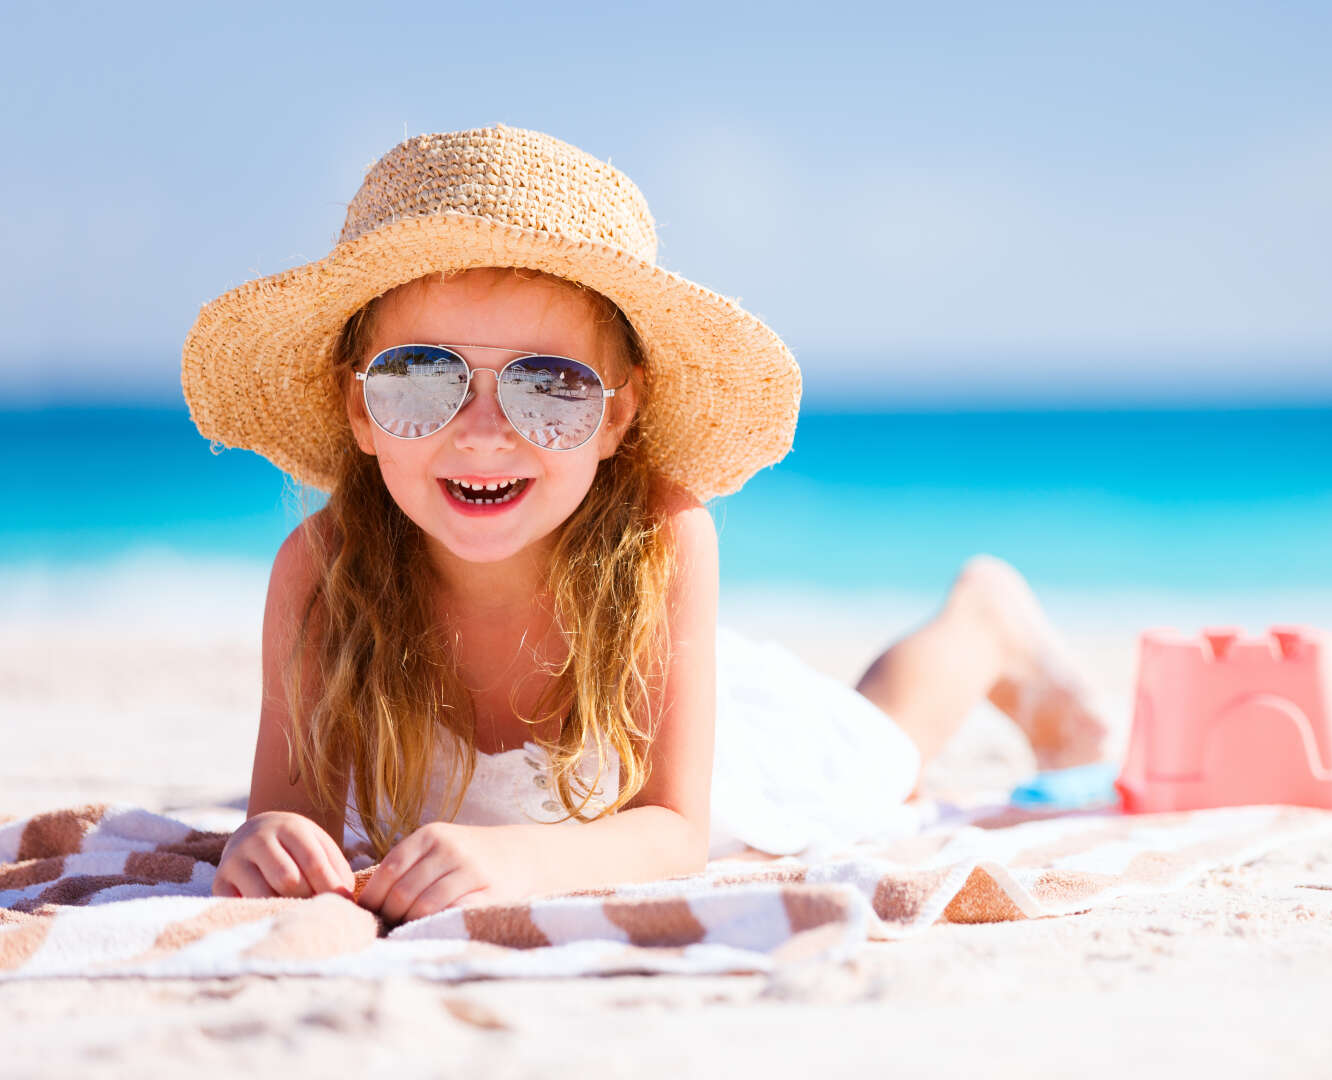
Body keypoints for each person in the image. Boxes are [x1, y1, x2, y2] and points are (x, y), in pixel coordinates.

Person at [184, 125, 1107, 925]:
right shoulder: (321, 571)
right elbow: (287, 814)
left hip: (701, 739)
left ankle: (984, 621)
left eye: (550, 386)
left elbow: (676, 831)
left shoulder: (664, 539)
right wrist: (269, 843)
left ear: (619, 418)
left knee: (876, 759)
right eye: (422, 376)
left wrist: (518, 862)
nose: (484, 428)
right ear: (357, 409)